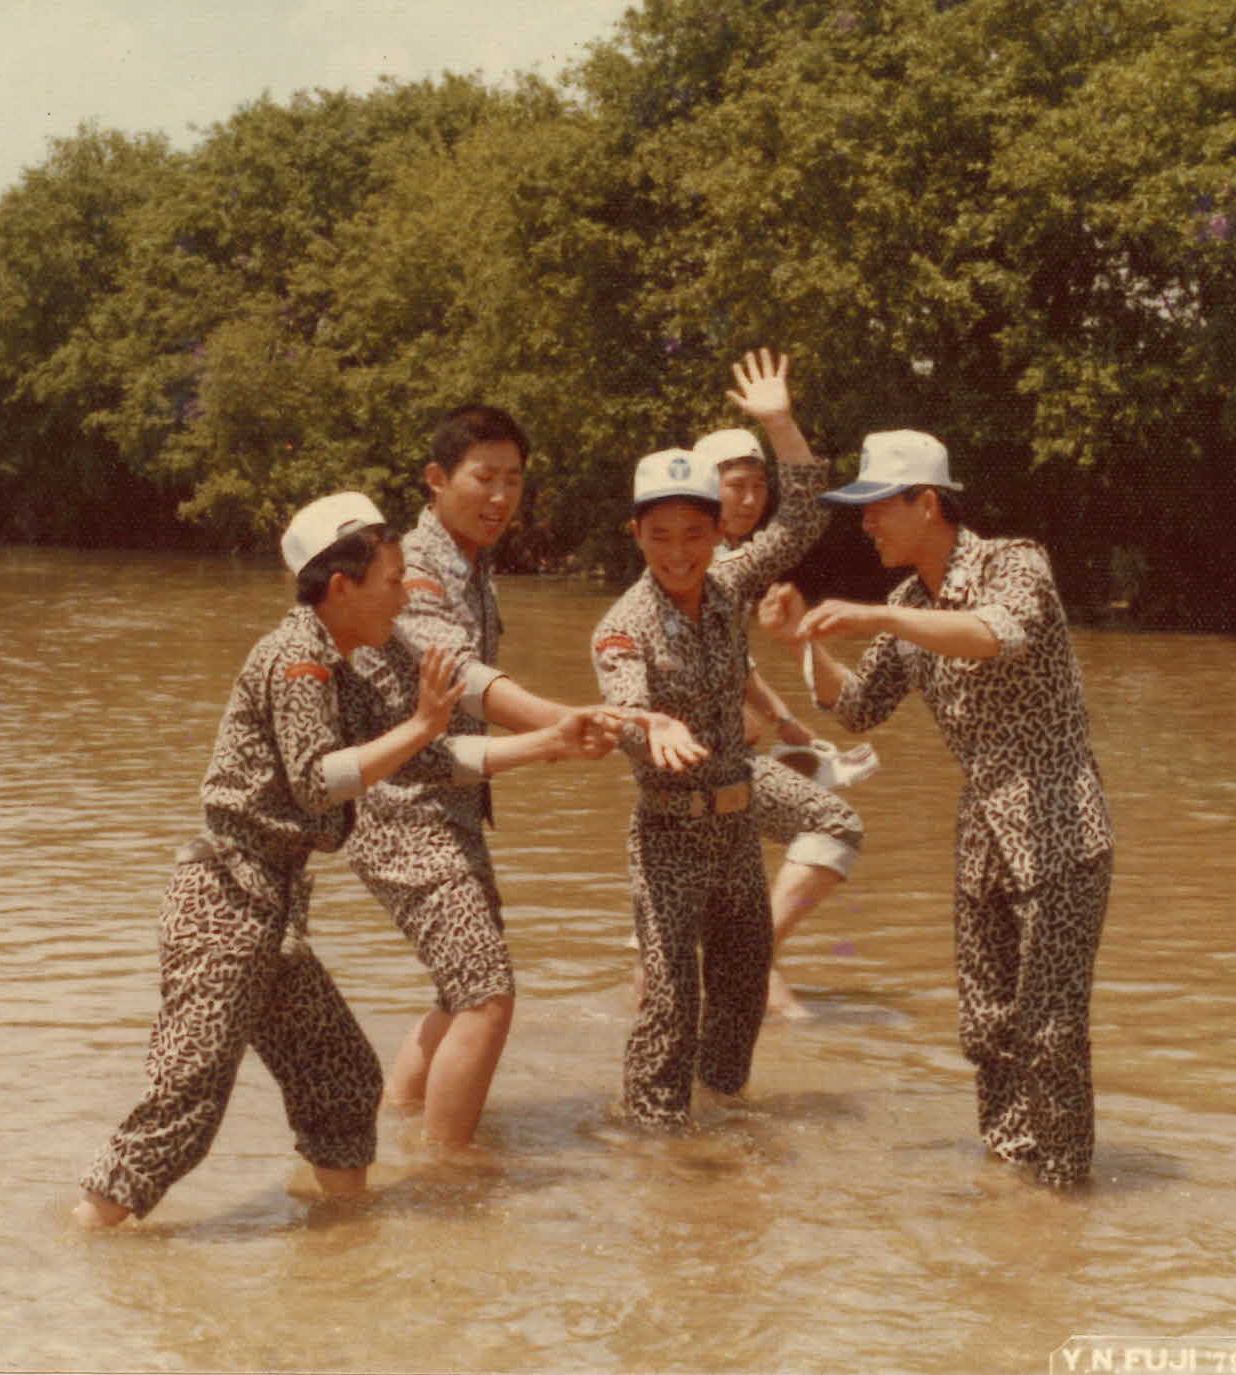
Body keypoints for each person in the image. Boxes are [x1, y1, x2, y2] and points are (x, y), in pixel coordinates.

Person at [76, 492, 617, 1227]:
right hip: (224, 903)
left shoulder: (351, 664)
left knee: (341, 1078)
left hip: (273, 908)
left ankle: (343, 1246)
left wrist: (550, 743)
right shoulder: (296, 658)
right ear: (341, 587)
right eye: (392, 581)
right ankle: (85, 1244)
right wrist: (422, 724)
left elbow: (429, 758)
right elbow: (317, 779)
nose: (404, 596)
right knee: (186, 1098)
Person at [757, 430, 1113, 1188]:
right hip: (984, 829)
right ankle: (1012, 1179)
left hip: (1058, 821)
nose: (865, 524)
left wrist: (878, 620)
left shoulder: (1014, 563)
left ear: (927, 503)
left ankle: (1063, 1190)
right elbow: (857, 707)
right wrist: (800, 642)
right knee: (986, 1025)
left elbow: (995, 634)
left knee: (1049, 1031)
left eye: (876, 508)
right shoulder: (908, 602)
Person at [346, 404, 626, 1150]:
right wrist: (554, 721)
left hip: (452, 803)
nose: (501, 496)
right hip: (403, 811)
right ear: (437, 479)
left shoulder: (473, 564)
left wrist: (562, 731)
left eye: (514, 479)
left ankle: (398, 1130)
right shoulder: (413, 566)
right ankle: (447, 1177)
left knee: (461, 989)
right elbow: (461, 676)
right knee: (487, 996)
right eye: (484, 478)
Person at [590, 349, 830, 1130]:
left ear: (717, 529)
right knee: (669, 1006)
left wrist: (780, 423)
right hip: (667, 836)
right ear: (636, 534)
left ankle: (719, 1142)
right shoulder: (622, 626)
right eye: (661, 535)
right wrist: (649, 725)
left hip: (736, 829)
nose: (679, 552)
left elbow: (804, 517)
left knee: (739, 997)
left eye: (695, 533)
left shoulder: (728, 584)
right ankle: (650, 1145)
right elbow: (622, 709)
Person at [695, 425, 866, 1021]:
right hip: (711, 762)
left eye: (758, 486)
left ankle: (752, 977)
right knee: (834, 823)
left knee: (707, 916)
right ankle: (750, 961)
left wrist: (782, 718)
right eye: (736, 486)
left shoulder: (705, 560)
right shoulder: (718, 563)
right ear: (705, 489)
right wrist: (780, 422)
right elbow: (802, 519)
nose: (750, 500)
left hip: (703, 761)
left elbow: (732, 660)